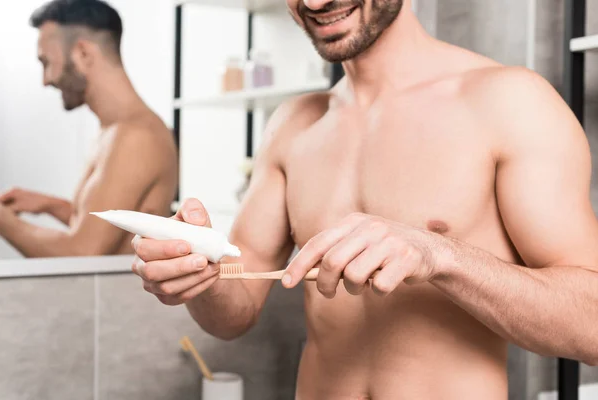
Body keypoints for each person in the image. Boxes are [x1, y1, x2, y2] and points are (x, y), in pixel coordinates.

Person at [131, 0, 598, 398]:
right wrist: (199, 273)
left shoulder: (510, 102)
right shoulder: (294, 124)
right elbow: (236, 307)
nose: (314, 2)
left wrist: (439, 255)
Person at [0, 0, 177, 258]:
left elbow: (82, 253)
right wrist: (50, 205)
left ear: (82, 53)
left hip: (121, 298)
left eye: (46, 62)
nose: (45, 79)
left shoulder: (136, 137)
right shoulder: (115, 131)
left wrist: (3, 221)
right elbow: (104, 228)